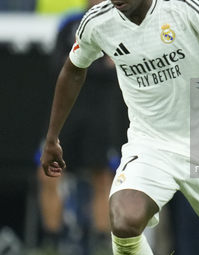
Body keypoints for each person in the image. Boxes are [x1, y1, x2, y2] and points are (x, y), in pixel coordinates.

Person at [40, 0, 199, 254]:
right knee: (125, 220)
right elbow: (73, 70)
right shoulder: (98, 22)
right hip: (150, 144)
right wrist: (53, 138)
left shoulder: (186, 7)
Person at [36, 0, 128, 254]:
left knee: (103, 178)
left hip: (101, 116)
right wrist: (96, 64)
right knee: (48, 174)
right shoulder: (69, 23)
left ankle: (101, 243)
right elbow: (58, 65)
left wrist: (83, 63)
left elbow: (117, 67)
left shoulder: (119, 23)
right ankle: (51, 243)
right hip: (67, 114)